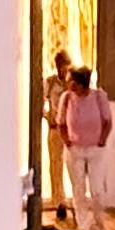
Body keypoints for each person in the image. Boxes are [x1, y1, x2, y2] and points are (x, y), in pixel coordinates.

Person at [62, 65, 114, 230]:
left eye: (72, 81)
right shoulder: (67, 98)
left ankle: (99, 222)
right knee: (78, 190)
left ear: (80, 83)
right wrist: (68, 142)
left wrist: (102, 140)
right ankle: (83, 227)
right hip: (75, 149)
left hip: (95, 149)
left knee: (97, 190)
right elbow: (61, 122)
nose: (69, 84)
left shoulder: (99, 97)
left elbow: (107, 121)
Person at [42, 48, 76, 208]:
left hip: (72, 129)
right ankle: (58, 200)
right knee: (56, 164)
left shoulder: (74, 83)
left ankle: (75, 198)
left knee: (74, 163)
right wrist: (47, 115)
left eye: (67, 65)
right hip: (56, 128)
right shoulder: (50, 83)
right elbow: (40, 101)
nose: (65, 69)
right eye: (63, 65)